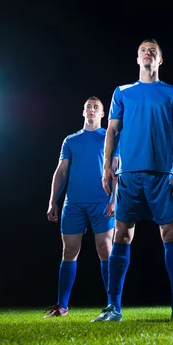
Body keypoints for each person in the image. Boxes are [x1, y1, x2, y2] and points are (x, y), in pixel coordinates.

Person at [92, 38, 173, 322]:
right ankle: (113, 307)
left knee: (170, 234)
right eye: (143, 51)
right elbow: (111, 130)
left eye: (153, 51)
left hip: (163, 174)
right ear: (138, 59)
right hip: (128, 175)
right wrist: (107, 167)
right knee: (121, 234)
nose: (148, 53)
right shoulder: (122, 93)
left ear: (160, 60)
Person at [45, 97, 118, 318]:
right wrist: (52, 201)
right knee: (69, 252)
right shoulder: (71, 140)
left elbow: (116, 171)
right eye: (88, 107)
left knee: (106, 250)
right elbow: (61, 171)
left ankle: (112, 305)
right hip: (73, 203)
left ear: (102, 113)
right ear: (83, 111)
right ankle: (62, 306)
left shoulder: (109, 137)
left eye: (96, 108)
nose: (92, 110)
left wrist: (114, 200)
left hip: (102, 202)